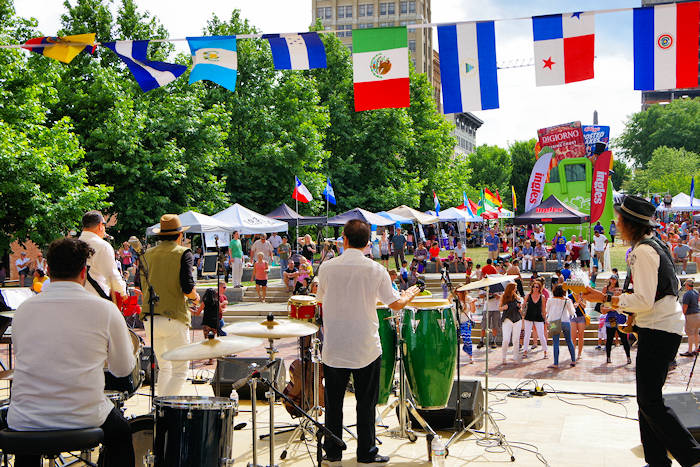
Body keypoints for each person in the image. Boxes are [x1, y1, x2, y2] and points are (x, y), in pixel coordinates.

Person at [584, 195, 700, 467]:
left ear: (628, 222)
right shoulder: (652, 245)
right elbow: (651, 297)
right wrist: (615, 302)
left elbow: (645, 300)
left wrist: (607, 299)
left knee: (650, 402)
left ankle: (692, 456)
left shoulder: (642, 252)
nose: (615, 224)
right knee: (646, 401)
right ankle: (657, 461)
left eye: (618, 219)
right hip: (660, 328)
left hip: (659, 330)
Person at [8, 237, 136, 467]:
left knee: (26, 442)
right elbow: (123, 368)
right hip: (85, 414)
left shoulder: (24, 310)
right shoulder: (105, 309)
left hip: (27, 417)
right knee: (122, 433)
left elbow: (23, 354)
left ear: (47, 268)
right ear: (83, 273)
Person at [316, 219, 420, 465]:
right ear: (367, 243)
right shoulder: (376, 270)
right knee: (366, 402)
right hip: (366, 346)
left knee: (333, 403)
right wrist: (408, 294)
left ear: (344, 239)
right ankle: (366, 452)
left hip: (335, 345)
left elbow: (320, 299)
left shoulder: (327, 268)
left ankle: (332, 451)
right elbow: (394, 304)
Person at [140, 214, 199, 396]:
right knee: (180, 369)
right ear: (180, 235)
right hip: (174, 317)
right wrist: (196, 299)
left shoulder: (146, 254)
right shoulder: (183, 253)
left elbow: (139, 284)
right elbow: (187, 286)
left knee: (164, 367)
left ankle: (159, 409)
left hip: (150, 317)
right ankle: (167, 410)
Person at [78, 211, 126, 300]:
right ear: (100, 225)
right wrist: (123, 292)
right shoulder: (103, 246)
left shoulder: (73, 245)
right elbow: (112, 277)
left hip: (76, 299)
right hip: (96, 299)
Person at [546, 285, 576, 369]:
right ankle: (573, 360)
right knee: (569, 341)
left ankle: (555, 363)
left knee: (555, 342)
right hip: (565, 321)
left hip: (554, 322)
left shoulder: (550, 300)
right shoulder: (567, 300)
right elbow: (572, 313)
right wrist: (574, 307)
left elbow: (547, 311)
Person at [521, 280, 546, 359]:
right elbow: (523, 305)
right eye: (533, 287)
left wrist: (545, 319)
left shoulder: (542, 297)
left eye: (537, 287)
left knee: (541, 335)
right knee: (527, 335)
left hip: (538, 317)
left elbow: (543, 309)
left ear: (539, 288)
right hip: (528, 317)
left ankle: (545, 351)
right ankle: (525, 351)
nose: (535, 288)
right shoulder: (528, 296)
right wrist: (522, 313)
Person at [498, 283, 523, 364]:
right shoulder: (503, 296)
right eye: (514, 288)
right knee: (506, 339)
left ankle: (515, 357)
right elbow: (499, 308)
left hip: (517, 319)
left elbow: (521, 309)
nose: (515, 289)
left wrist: (520, 308)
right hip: (507, 319)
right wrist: (503, 307)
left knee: (516, 339)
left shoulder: (517, 297)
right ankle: (503, 357)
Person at [680, 279, 699, 356]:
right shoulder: (696, 292)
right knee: (696, 333)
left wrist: (682, 315)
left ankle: (690, 351)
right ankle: (696, 349)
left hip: (691, 315)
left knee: (690, 334)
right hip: (698, 314)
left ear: (687, 285)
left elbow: (685, 307)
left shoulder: (687, 294)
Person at [569, 291, 587, 361]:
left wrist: (580, 301)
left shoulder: (583, 295)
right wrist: (574, 304)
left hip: (581, 317)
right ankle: (573, 353)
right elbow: (569, 308)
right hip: (573, 317)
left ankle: (579, 353)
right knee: (573, 336)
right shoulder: (570, 296)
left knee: (581, 335)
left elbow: (585, 306)